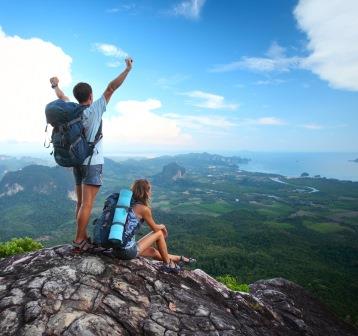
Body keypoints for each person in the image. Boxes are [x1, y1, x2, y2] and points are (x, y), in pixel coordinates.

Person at [49, 57, 133, 253]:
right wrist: (127, 69)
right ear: (91, 95)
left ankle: (82, 235)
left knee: (80, 203)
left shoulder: (72, 112)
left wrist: (55, 86)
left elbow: (62, 98)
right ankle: (79, 239)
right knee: (87, 204)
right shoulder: (94, 110)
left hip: (76, 162)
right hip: (92, 163)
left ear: (77, 96)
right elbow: (112, 88)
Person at [114, 179, 196, 273]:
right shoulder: (144, 209)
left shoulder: (125, 205)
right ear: (146, 192)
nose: (151, 192)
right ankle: (169, 265)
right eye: (150, 190)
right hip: (126, 251)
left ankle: (178, 258)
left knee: (152, 251)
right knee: (159, 233)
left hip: (116, 250)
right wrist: (163, 226)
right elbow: (155, 229)